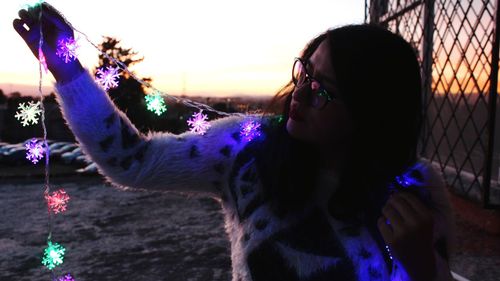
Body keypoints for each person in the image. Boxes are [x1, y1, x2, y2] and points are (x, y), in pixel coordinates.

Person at [13, 3, 455, 281]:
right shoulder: (248, 148)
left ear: (371, 113)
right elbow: (133, 161)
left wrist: (424, 268)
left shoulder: (413, 189)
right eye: (306, 72)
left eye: (323, 90)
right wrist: (68, 72)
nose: (299, 93)